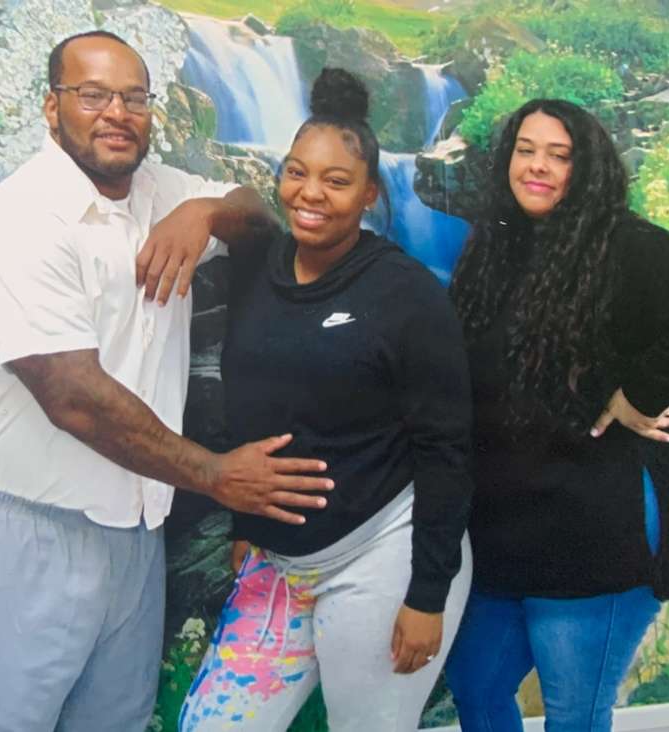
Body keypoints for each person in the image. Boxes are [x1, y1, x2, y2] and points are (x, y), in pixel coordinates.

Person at [0, 30, 334, 731]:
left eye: (133, 97)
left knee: (115, 720)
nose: (116, 113)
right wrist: (215, 475)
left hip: (135, 527)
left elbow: (258, 220)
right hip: (31, 530)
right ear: (50, 107)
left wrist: (205, 211)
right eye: (92, 95)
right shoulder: (23, 220)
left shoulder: (160, 192)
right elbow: (73, 396)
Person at [178, 68, 474, 731]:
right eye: (296, 172)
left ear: (371, 194)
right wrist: (249, 527)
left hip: (383, 555)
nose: (310, 194)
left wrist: (427, 595)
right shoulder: (258, 266)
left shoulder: (407, 296)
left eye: (336, 182)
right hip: (278, 567)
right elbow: (262, 408)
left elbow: (447, 450)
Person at [444, 98, 669, 730]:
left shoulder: (622, 244)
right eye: (526, 150)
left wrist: (639, 393)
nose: (537, 167)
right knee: (477, 687)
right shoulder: (494, 248)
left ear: (585, 168)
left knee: (573, 714)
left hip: (599, 528)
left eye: (559, 156)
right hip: (504, 529)